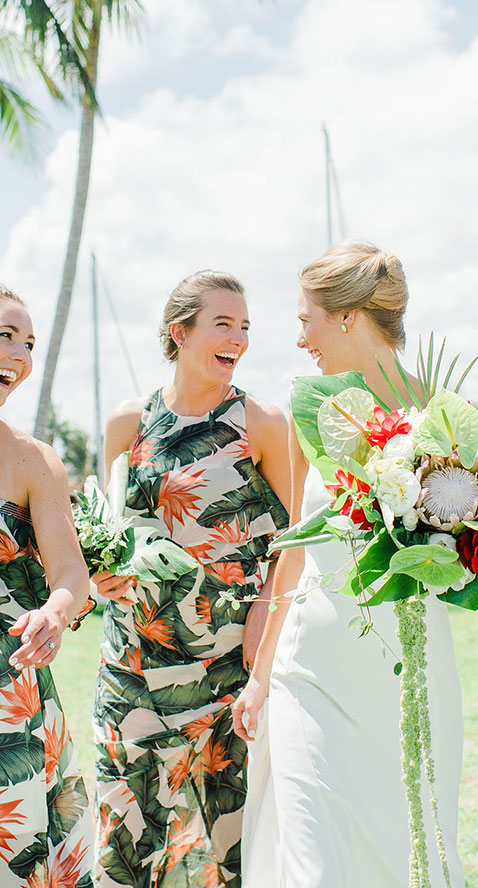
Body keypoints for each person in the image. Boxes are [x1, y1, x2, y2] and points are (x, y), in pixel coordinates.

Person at [233, 242, 465, 888]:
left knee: (405, 848)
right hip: (313, 667)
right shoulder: (309, 405)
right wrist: (260, 674)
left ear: (346, 317)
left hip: (411, 666)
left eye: (306, 318)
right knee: (313, 855)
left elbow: (473, 548)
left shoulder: (441, 415)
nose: (299, 336)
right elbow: (294, 544)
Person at [92, 270, 290, 888]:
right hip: (131, 663)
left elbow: (295, 543)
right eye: (223, 324)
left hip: (225, 663)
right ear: (179, 332)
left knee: (225, 845)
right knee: (129, 839)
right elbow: (109, 532)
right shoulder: (129, 423)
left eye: (246, 327)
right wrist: (102, 579)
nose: (239, 339)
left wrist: (265, 611)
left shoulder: (261, 424)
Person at [0, 285, 94, 887]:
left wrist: (56, 613)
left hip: (13, 687)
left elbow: (71, 574)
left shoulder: (35, 461)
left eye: (28, 342)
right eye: (6, 335)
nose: (19, 353)